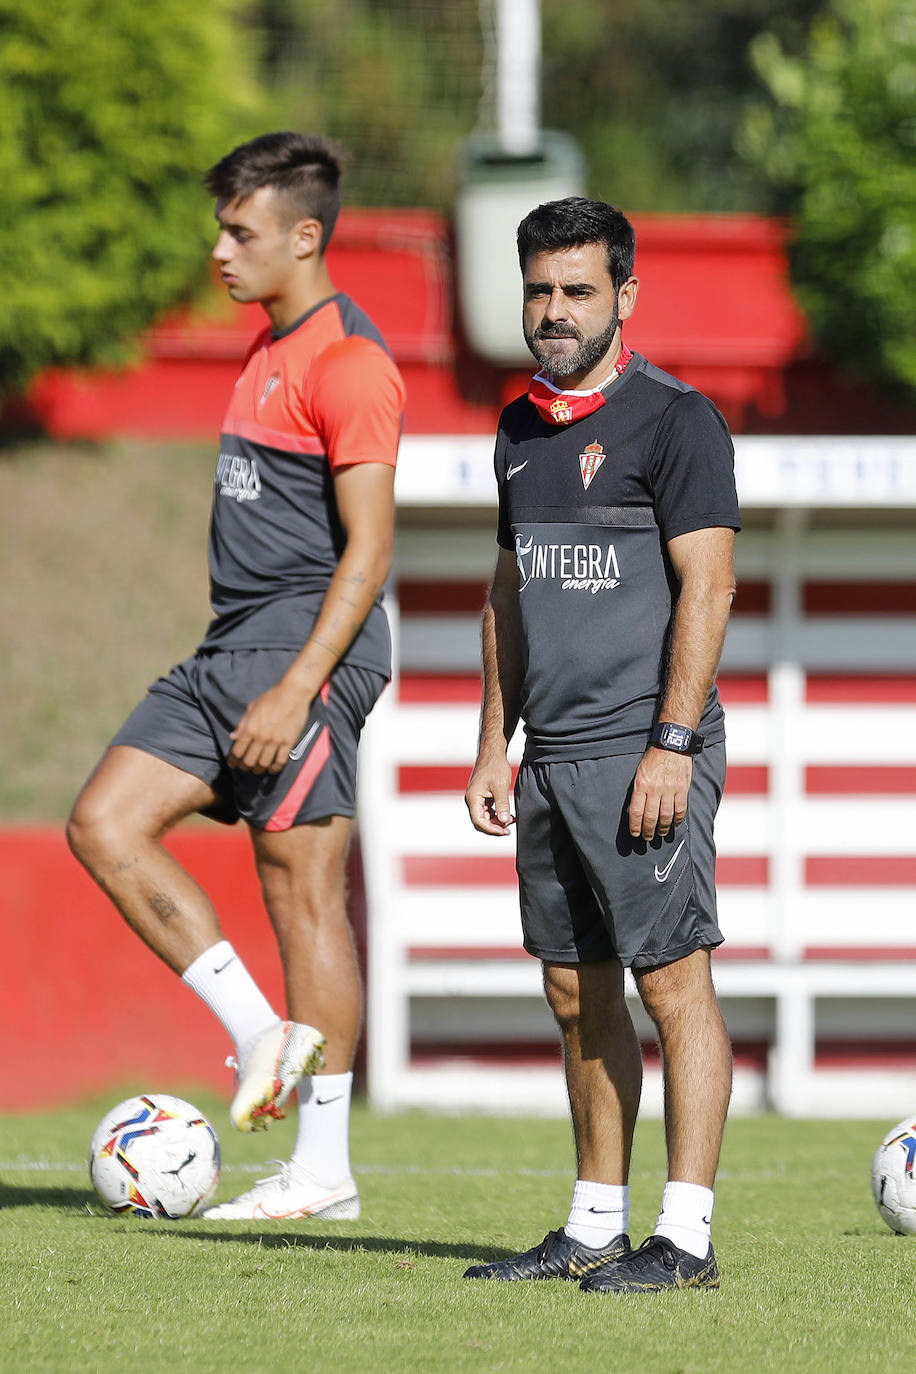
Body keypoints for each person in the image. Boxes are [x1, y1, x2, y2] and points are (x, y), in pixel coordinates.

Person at [67, 132, 405, 1222]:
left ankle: (323, 1170)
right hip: (229, 649)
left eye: (239, 230)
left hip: (304, 653)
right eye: (221, 227)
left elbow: (370, 550)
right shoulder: (264, 350)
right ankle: (259, 1031)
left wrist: (301, 684)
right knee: (105, 824)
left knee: (301, 889)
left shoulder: (350, 363)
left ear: (305, 237)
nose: (219, 249)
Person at [463, 197, 740, 1292]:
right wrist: (495, 739)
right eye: (539, 289)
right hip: (552, 760)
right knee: (577, 995)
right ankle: (591, 1225)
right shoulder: (517, 429)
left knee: (674, 988)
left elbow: (707, 586)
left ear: (625, 295)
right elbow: (507, 593)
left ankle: (688, 1239)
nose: (555, 310)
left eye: (578, 290)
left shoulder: (677, 420)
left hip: (644, 755)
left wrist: (672, 743)